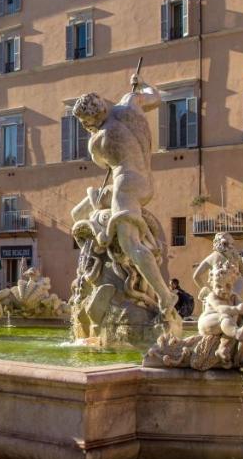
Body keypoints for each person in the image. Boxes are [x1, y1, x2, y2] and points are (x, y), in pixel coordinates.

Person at [72, 73, 176, 311]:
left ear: (88, 119)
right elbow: (155, 96)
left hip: (125, 184)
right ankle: (100, 234)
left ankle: (163, 294)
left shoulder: (98, 140)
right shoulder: (129, 103)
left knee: (130, 244)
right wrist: (141, 84)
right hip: (144, 182)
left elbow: (101, 162)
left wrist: (94, 133)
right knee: (78, 213)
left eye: (85, 123)